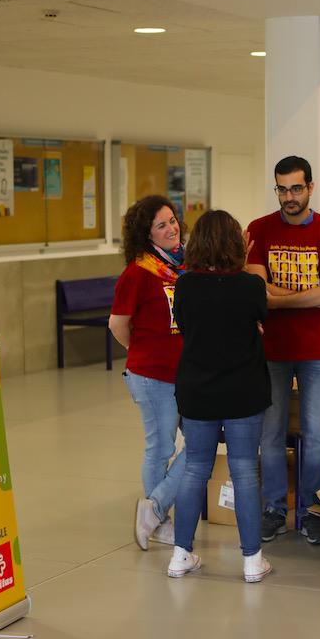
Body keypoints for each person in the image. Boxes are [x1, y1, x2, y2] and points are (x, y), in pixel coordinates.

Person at [167, 210, 273, 582]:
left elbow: (184, 324)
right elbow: (260, 318)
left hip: (197, 390)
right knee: (244, 469)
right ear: (236, 244)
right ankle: (251, 561)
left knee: (196, 467)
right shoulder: (251, 286)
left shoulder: (185, 286)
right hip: (244, 389)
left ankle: (181, 554)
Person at [246, 156, 320, 546]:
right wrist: (314, 297)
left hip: (318, 350)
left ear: (310, 187)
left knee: (317, 436)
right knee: (269, 434)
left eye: (296, 188)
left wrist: (276, 298)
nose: (289, 197)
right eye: (282, 189)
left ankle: (310, 512)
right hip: (270, 349)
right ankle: (274, 509)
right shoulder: (258, 230)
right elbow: (259, 290)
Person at [109, 195, 188, 552]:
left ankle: (153, 508)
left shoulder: (184, 266)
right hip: (152, 375)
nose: (172, 228)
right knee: (161, 448)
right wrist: (141, 351)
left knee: (202, 443)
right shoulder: (139, 272)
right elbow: (118, 324)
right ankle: (160, 521)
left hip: (187, 371)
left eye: (173, 220)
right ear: (147, 234)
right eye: (162, 225)